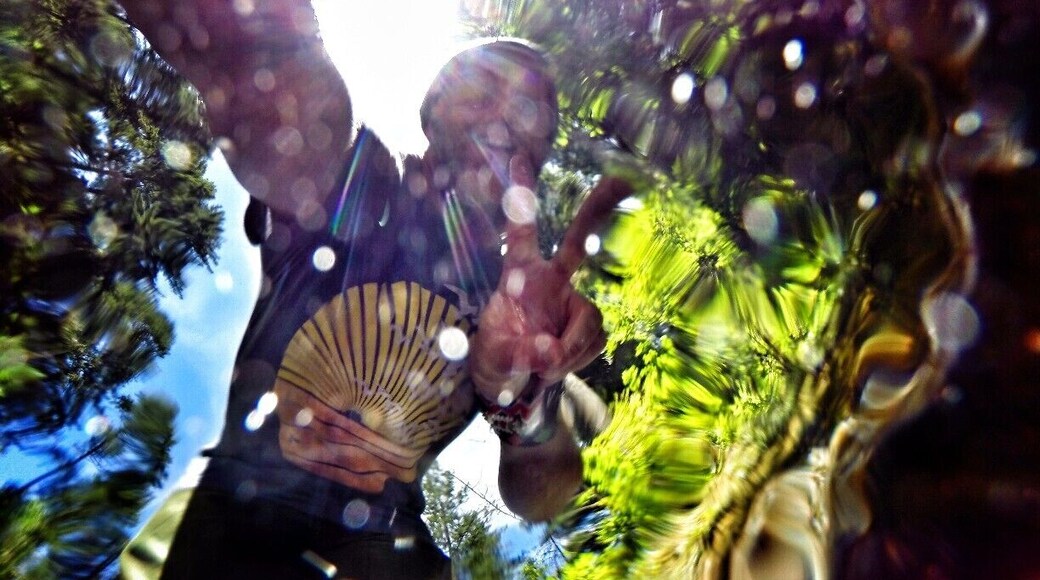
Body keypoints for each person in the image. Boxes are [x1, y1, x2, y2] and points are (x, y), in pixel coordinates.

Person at [117, 1, 630, 577]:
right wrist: (253, 38)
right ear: (431, 109)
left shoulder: (517, 305)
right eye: (484, 88)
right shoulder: (359, 176)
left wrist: (529, 403)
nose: (506, 115)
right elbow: (299, 118)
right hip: (235, 511)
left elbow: (543, 496)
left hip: (390, 543)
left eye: (530, 109)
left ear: (535, 163)